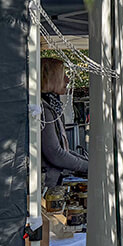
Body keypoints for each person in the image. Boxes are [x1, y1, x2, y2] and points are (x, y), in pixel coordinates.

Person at [40, 58, 89, 188]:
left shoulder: (51, 105)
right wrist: (89, 167)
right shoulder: (43, 110)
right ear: (51, 77)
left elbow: (63, 150)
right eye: (63, 75)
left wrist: (87, 163)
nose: (67, 80)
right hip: (48, 186)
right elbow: (56, 154)